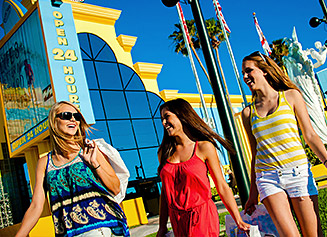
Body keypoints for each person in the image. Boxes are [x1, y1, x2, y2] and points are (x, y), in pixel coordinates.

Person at [241, 51, 327, 236]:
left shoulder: (290, 96)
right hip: (267, 178)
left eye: (249, 71)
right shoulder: (248, 113)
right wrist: (252, 193)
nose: (246, 77)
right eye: (243, 74)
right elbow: (255, 153)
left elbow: (310, 136)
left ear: (263, 70)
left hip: (298, 173)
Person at [16, 101, 130, 237]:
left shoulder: (90, 149)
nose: (73, 119)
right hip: (67, 232)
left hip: (99, 228)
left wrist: (95, 164)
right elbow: (36, 205)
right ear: (54, 121)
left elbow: (116, 188)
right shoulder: (44, 163)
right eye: (66, 115)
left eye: (76, 116)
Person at [156, 98, 250, 237]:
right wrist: (162, 226)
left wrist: (238, 219)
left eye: (167, 117)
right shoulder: (164, 152)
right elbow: (165, 193)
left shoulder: (203, 147)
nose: (164, 123)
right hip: (178, 220)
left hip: (202, 216)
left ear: (181, 115)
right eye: (162, 119)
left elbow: (221, 185)